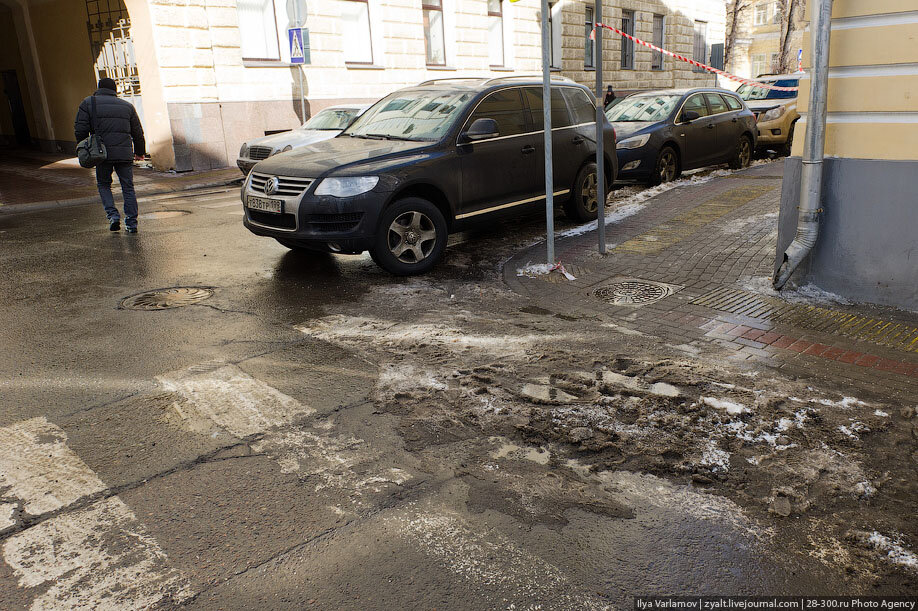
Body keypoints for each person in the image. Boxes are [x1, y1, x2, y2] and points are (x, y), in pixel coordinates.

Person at [74, 77, 146, 233]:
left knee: (104, 184)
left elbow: (80, 129)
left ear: (99, 88)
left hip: (101, 153)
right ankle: (132, 223)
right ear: (115, 90)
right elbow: (138, 133)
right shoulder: (127, 106)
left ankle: (113, 216)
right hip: (124, 153)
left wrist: (85, 145)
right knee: (128, 187)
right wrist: (140, 152)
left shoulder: (88, 103)